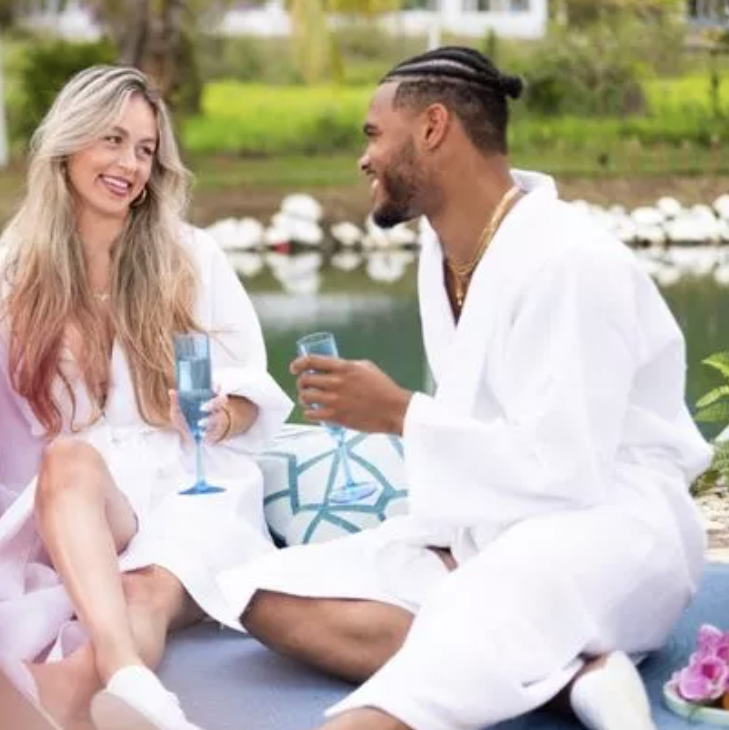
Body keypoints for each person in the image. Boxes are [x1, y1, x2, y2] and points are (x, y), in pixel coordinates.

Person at [218, 46, 712, 730]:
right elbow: (477, 429)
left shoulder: (573, 262)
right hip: (493, 521)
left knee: (478, 606)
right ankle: (573, 681)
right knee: (260, 593)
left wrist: (398, 415)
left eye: (373, 134)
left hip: (611, 528)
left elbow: (570, 470)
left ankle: (387, 709)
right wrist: (454, 532)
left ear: (432, 128)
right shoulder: (442, 254)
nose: (363, 159)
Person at [0, 65, 292, 730]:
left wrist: (221, 415)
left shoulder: (190, 256)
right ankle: (137, 694)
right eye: (113, 140)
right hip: (88, 505)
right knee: (67, 461)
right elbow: (19, 442)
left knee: (142, 587)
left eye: (145, 150)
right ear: (70, 142)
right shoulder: (12, 275)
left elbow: (250, 383)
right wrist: (28, 535)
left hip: (190, 478)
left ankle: (61, 689)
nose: (130, 165)